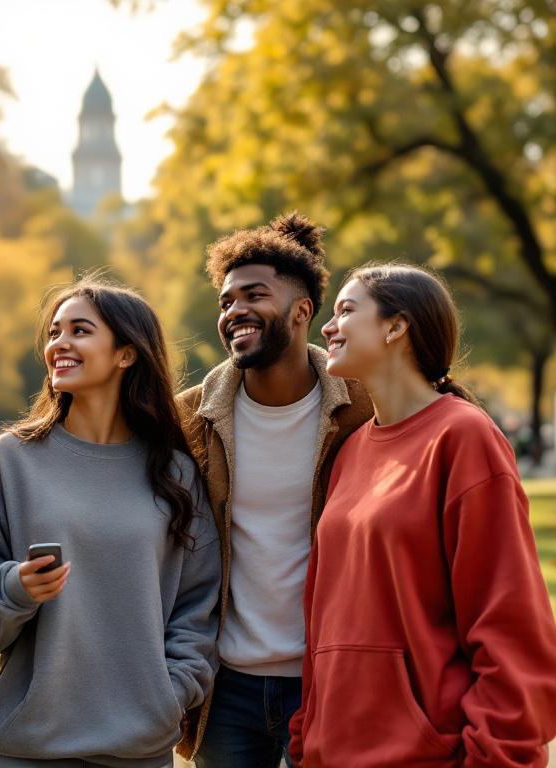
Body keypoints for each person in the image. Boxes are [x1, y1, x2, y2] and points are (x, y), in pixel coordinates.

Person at [290, 263, 556, 766]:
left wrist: (494, 756)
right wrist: (306, 736)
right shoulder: (350, 450)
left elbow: (511, 625)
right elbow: (324, 614)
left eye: (346, 311)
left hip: (424, 754)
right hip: (330, 751)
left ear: (397, 327)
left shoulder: (463, 437)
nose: (328, 328)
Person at [0, 278, 221, 768]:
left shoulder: (174, 473)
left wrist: (170, 693)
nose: (59, 344)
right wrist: (15, 588)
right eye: (54, 332)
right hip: (30, 747)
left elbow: (197, 607)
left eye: (79, 330)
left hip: (139, 746)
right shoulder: (13, 460)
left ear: (126, 354)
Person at [174, 212, 373, 766]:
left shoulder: (363, 407)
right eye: (225, 301)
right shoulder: (190, 419)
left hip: (326, 679)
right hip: (225, 687)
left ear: (302, 310)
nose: (235, 310)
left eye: (253, 295)